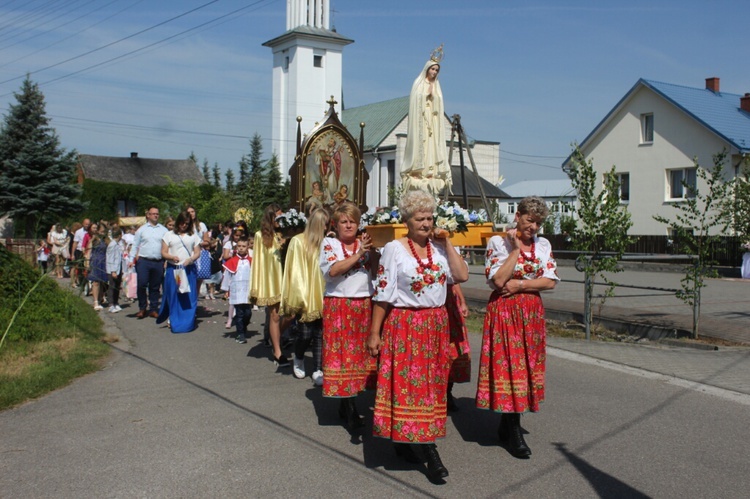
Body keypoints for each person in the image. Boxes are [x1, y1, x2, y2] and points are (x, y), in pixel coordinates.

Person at [367, 189, 468, 483]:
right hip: (406, 325)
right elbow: (383, 294)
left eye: (429, 217)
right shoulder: (394, 249)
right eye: (419, 218)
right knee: (413, 388)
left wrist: (447, 243)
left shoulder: (439, 248)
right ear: (407, 221)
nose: (426, 223)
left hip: (436, 325)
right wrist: (375, 332)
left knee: (432, 387)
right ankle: (430, 452)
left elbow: (461, 276)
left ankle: (406, 440)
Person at [476, 196, 559, 459]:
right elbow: (499, 280)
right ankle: (512, 429)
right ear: (517, 216)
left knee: (527, 367)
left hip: (531, 312)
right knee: (510, 366)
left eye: (538, 223)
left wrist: (521, 285)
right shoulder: (497, 242)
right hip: (505, 311)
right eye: (529, 220)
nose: (533, 227)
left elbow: (550, 282)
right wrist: (514, 250)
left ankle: (509, 424)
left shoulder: (543, 245)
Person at [320, 202, 379, 430]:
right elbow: (333, 270)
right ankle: (349, 405)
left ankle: (351, 401)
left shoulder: (364, 243)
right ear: (336, 224)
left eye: (352, 221)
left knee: (361, 355)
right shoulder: (330, 243)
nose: (348, 225)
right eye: (343, 221)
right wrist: (360, 253)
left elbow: (375, 270)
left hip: (364, 303)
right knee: (344, 356)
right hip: (340, 305)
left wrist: (373, 252)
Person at [280, 208, 328, 385]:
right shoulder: (298, 241)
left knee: (320, 334)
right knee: (305, 334)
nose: (326, 226)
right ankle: (298, 356)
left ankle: (318, 368)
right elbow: (295, 270)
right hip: (306, 295)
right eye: (324, 223)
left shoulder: (327, 242)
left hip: (323, 293)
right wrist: (298, 298)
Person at [400, 46, 451, 198]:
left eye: (436, 70)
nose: (434, 72)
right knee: (420, 145)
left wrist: (434, 97)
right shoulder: (419, 83)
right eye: (432, 69)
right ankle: (417, 171)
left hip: (432, 124)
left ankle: (430, 172)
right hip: (421, 121)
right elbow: (415, 100)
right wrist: (424, 95)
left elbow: (439, 104)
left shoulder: (437, 86)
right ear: (427, 69)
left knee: (431, 146)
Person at [251, 204, 290, 367]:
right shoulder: (261, 236)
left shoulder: (288, 234)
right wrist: (260, 286)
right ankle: (277, 351)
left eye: (282, 217)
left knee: (291, 314)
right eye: (277, 217)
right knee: (274, 315)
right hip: (272, 279)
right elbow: (259, 263)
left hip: (288, 277)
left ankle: (276, 337)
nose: (279, 221)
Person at [156, 211, 202, 333]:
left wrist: (190, 259)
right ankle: (173, 318)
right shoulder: (168, 235)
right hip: (174, 269)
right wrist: (171, 257)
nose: (184, 226)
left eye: (186, 224)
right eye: (182, 223)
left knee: (189, 295)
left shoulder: (193, 236)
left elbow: (197, 252)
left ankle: (188, 320)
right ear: (178, 222)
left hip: (188, 269)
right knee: (173, 294)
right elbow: (163, 252)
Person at [131, 207, 168, 319]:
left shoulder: (164, 230)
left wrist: (166, 260)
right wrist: (130, 259)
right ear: (148, 215)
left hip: (158, 261)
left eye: (157, 214)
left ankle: (153, 308)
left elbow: (168, 246)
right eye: (153, 214)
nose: (155, 216)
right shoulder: (141, 230)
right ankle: (142, 308)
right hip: (144, 261)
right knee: (142, 284)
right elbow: (135, 245)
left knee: (155, 286)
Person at [445, 282, 471, 412]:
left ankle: (447, 392)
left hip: (450, 302)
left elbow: (454, 280)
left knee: (453, 350)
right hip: (433, 301)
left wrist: (462, 301)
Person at [223, 237, 253, 344]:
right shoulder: (232, 261)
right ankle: (240, 334)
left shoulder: (251, 261)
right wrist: (226, 290)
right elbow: (227, 276)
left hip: (247, 290)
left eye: (243, 246)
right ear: (236, 247)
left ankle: (243, 327)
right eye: (239, 246)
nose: (241, 248)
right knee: (240, 313)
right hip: (236, 291)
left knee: (248, 313)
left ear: (248, 247)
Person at [87, 222, 109, 311]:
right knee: (96, 282)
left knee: (102, 282)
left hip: (104, 261)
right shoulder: (94, 240)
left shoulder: (106, 240)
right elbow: (88, 252)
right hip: (96, 261)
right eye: (101, 231)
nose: (103, 233)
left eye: (104, 231)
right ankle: (95, 301)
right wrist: (88, 263)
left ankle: (100, 299)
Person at [106, 228, 125, 313]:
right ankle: (111, 304)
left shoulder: (117, 244)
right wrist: (113, 271)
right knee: (112, 286)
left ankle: (116, 303)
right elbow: (110, 258)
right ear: (119, 235)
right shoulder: (112, 245)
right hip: (113, 269)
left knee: (117, 286)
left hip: (118, 268)